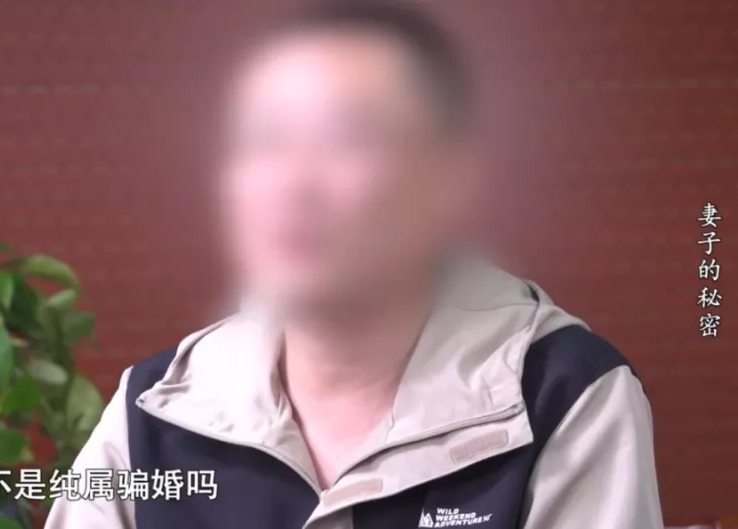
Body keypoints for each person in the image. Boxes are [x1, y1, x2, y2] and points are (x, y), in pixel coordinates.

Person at [45, 2, 664, 528]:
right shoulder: (151, 410)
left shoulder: (567, 396)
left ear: (449, 180)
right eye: (262, 140)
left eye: (346, 139)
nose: (293, 183)